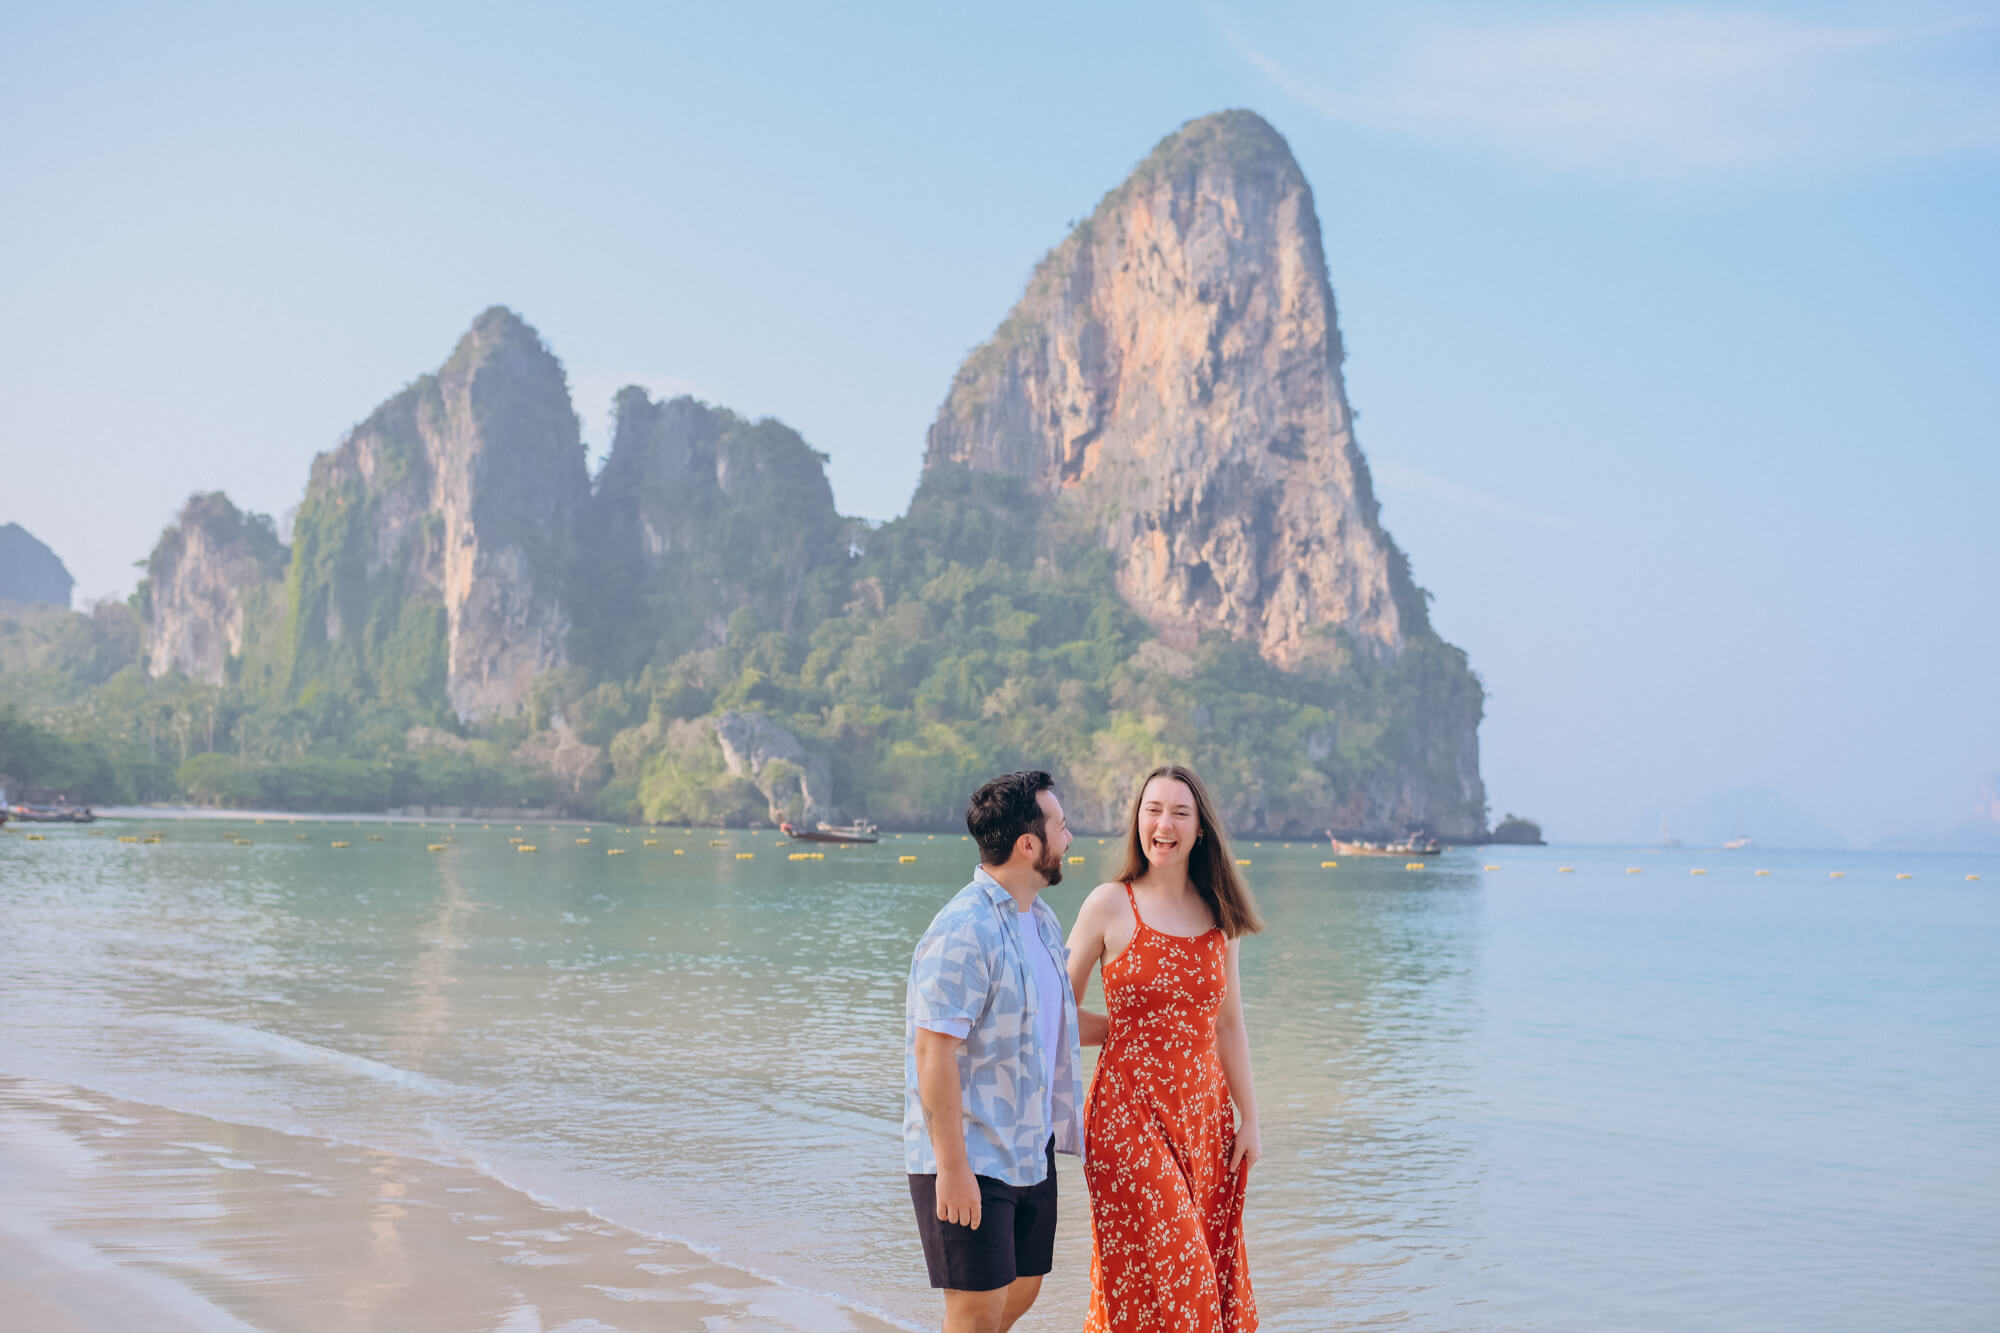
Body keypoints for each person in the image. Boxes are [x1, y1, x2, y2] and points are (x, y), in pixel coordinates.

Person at [1066, 763, 1264, 1332]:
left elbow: (1229, 1026)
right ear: (1137, 821)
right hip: (1126, 1116)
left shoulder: (1219, 916)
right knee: (1185, 1272)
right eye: (1153, 810)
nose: (1164, 824)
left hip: (1203, 1118)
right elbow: (1055, 1015)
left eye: (1180, 813)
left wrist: (1250, 1118)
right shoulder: (1109, 904)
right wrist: (1123, 1031)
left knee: (1166, 1277)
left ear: (1200, 829)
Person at [904, 770, 1086, 1333]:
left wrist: (1150, 1025)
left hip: (1030, 1147)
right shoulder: (964, 928)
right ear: (1029, 845)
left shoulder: (1043, 921)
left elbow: (1053, 1023)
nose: (1069, 838)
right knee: (976, 1311)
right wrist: (952, 1170)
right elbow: (932, 1053)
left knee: (1023, 1290)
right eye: (1061, 826)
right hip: (971, 1153)